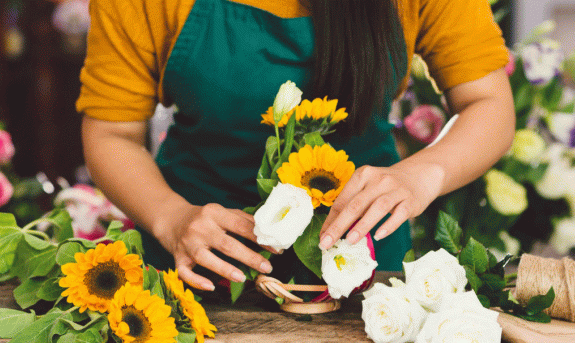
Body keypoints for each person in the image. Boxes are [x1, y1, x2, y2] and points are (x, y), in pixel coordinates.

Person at [77, 0, 515, 292]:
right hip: (198, 255)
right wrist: (171, 218)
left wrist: (423, 173)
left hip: (360, 259)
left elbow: (489, 103)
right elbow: (112, 133)